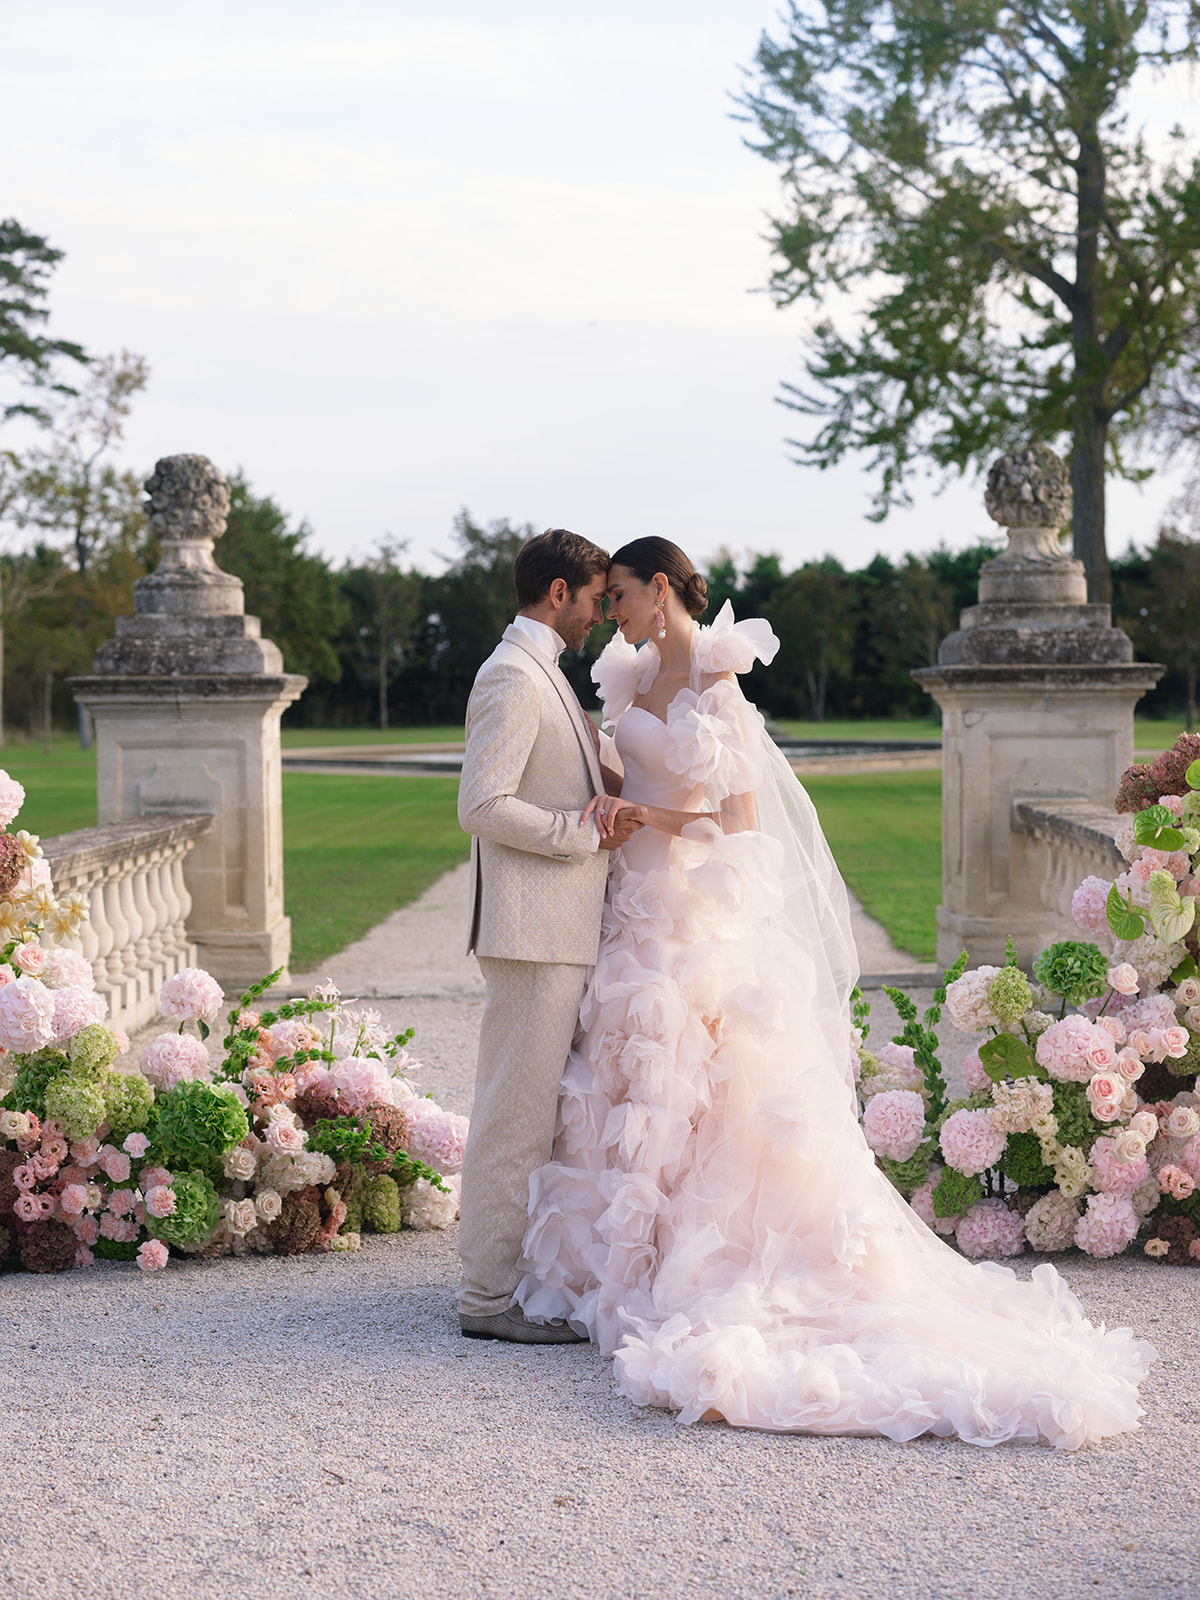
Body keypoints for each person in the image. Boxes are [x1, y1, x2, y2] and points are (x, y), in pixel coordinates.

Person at [514, 535, 1156, 1447]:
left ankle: (704, 1268)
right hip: (633, 909)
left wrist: (644, 813)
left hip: (694, 914)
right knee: (625, 1086)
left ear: (661, 589)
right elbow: (630, 769)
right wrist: (604, 782)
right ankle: (622, 1263)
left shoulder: (720, 686)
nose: (608, 610)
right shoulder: (629, 675)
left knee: (704, 1086)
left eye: (618, 593)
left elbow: (736, 823)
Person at [456, 527, 643, 1343]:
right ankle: (486, 1300)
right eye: (598, 598)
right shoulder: (511, 677)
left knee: (540, 1113)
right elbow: (482, 805)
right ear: (558, 593)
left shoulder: (543, 673)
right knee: (516, 1114)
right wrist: (582, 833)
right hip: (532, 934)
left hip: (555, 931)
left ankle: (511, 1279)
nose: (602, 614)